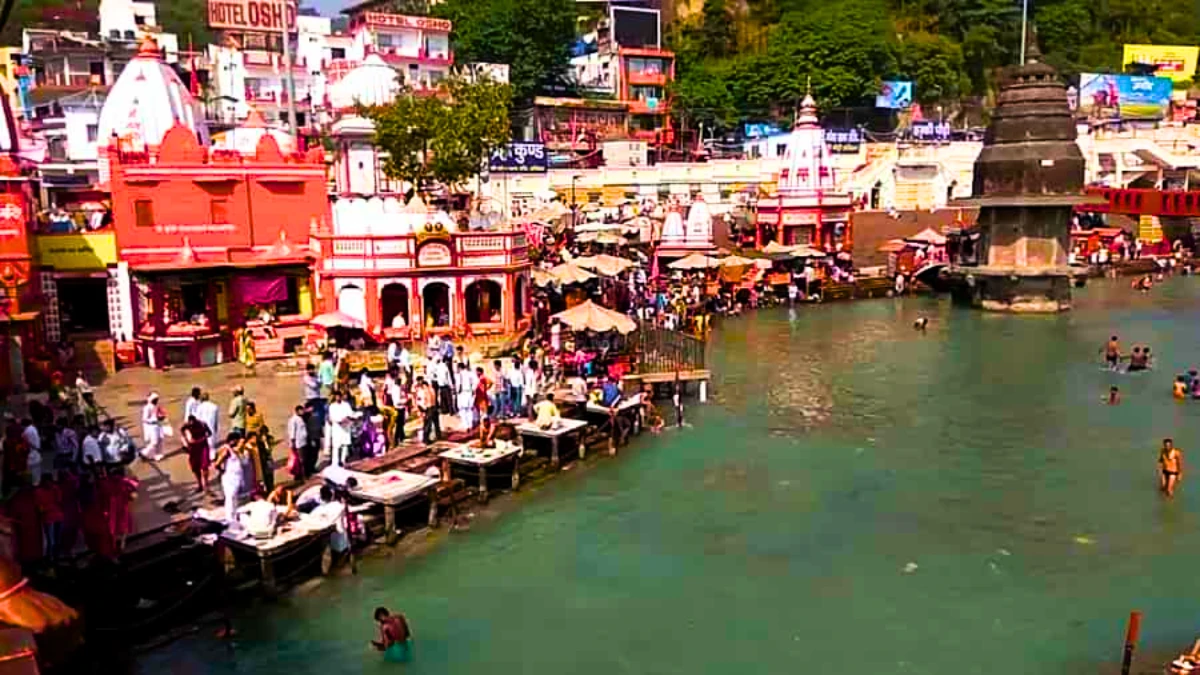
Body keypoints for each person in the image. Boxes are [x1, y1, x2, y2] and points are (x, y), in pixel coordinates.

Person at [214, 434, 246, 521]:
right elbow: (217, 464)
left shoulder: (237, 450)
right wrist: (222, 471)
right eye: (240, 441)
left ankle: (234, 515)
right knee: (230, 497)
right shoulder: (226, 450)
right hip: (229, 478)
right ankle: (229, 518)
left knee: (235, 497)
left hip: (237, 477)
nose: (241, 443)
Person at [182, 414, 211, 493]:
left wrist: (201, 439)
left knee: (204, 466)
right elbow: (182, 433)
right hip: (193, 449)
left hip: (203, 446)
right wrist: (185, 442)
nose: (191, 424)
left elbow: (209, 433)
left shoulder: (203, 424)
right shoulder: (186, 426)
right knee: (195, 467)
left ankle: (206, 484)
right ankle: (199, 484)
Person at [140, 393, 166, 461]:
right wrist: (154, 420)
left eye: (157, 399)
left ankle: (158, 455)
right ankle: (144, 453)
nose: (156, 400)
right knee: (154, 442)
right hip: (151, 427)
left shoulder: (156, 406)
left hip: (158, 425)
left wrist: (161, 417)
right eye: (155, 399)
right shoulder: (147, 407)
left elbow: (160, 414)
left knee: (160, 439)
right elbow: (144, 419)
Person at [415, 377, 439, 445]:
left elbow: (421, 401)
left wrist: (421, 409)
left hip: (427, 408)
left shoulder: (424, 391)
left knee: (427, 425)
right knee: (428, 425)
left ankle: (426, 439)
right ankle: (426, 439)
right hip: (428, 408)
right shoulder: (429, 390)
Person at [287, 405, 308, 481]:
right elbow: (292, 432)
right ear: (297, 411)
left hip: (302, 442)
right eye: (301, 411)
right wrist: (293, 443)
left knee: (302, 460)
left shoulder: (301, 418)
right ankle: (301, 476)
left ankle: (300, 476)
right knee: (300, 461)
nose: (302, 412)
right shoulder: (294, 420)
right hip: (298, 443)